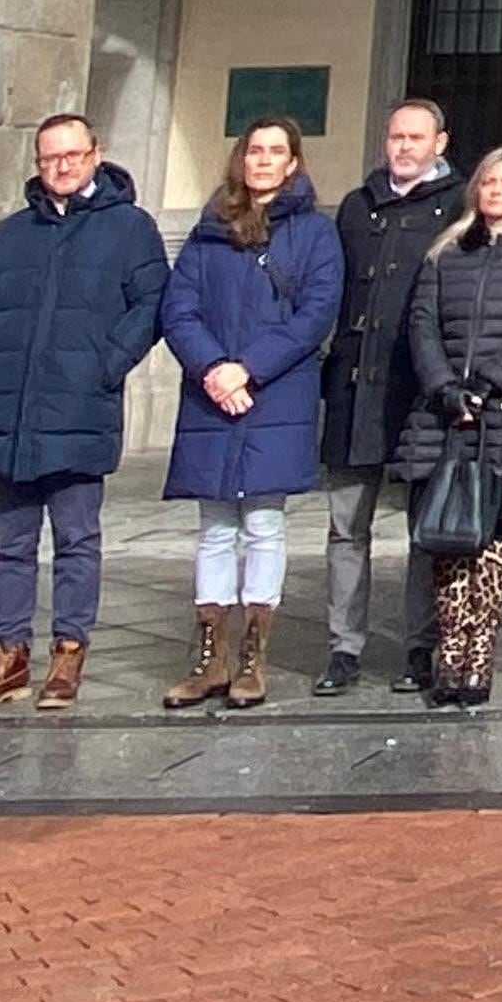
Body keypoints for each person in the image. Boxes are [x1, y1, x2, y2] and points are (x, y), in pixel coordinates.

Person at [0, 113, 169, 712]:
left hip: (80, 405)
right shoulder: (15, 231)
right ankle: (9, 655)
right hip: (10, 408)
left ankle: (69, 652)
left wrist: (106, 365)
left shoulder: (129, 228)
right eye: (50, 157)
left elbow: (152, 304)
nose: (62, 166)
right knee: (11, 545)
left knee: (76, 539)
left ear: (96, 154)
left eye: (72, 155)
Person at [155, 117, 344, 710]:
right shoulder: (209, 228)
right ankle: (210, 658)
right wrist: (213, 368)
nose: (262, 160)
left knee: (263, 523)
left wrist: (249, 369)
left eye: (275, 151)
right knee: (214, 527)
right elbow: (179, 308)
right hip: (211, 393)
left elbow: (316, 314)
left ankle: (251, 659)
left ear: (293, 163)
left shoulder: (315, 233)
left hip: (275, 393)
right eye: (254, 150)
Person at [391, 147, 502, 708]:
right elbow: (422, 324)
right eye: (488, 181)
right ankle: (450, 651)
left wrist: (488, 385)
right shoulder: (445, 251)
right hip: (444, 416)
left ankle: (479, 651)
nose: (494, 191)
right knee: (447, 533)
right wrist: (446, 389)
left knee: (493, 534)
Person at [313, 98, 464, 697]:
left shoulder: (458, 205)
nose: (403, 147)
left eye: (415, 137)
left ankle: (419, 647)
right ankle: (343, 647)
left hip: (418, 393)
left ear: (439, 143)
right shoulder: (358, 205)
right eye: (396, 136)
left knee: (424, 530)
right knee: (346, 528)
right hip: (354, 390)